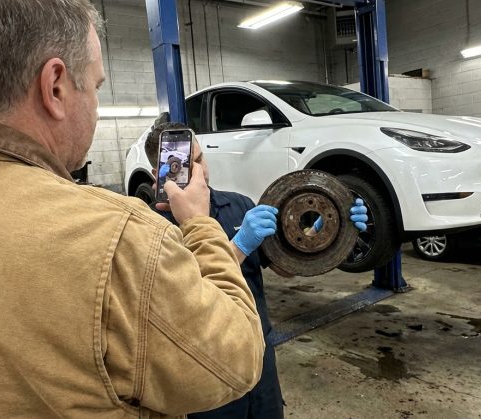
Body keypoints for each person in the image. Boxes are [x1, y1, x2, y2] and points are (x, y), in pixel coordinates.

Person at [0, 1, 266, 417]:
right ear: (55, 86)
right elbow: (235, 360)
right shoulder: (115, 239)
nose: (95, 106)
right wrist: (201, 225)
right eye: (94, 86)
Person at [144, 117, 369, 418]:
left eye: (199, 158)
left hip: (259, 356)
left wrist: (326, 230)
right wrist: (239, 245)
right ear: (156, 175)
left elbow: (284, 267)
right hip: (204, 370)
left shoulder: (240, 205)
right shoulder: (149, 229)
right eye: (182, 165)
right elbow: (183, 299)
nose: (199, 171)